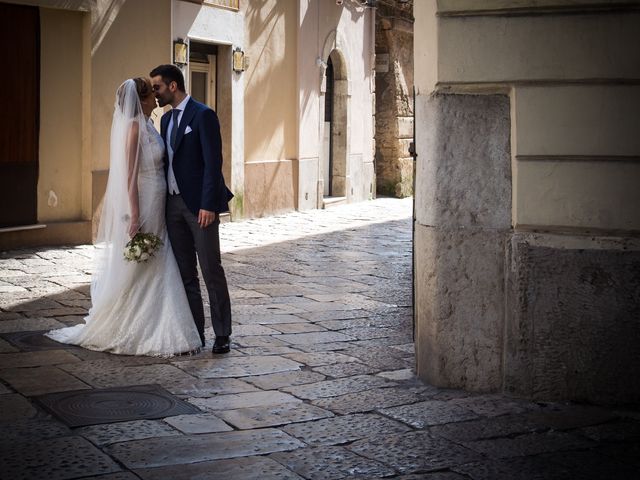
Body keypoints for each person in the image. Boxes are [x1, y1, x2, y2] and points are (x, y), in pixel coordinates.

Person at [46, 78, 202, 356]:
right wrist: (134, 214)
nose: (156, 96)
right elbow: (129, 176)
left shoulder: (151, 125)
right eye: (151, 93)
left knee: (158, 255)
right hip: (144, 198)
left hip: (159, 197)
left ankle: (159, 319)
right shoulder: (133, 129)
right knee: (147, 256)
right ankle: (130, 321)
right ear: (141, 99)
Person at [150, 64, 234, 354]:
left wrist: (209, 204)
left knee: (211, 269)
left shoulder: (203, 115)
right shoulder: (163, 120)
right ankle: (194, 333)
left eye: (157, 87)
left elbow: (214, 163)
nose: (155, 93)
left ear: (173, 86)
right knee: (186, 274)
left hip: (199, 207)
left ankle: (222, 333)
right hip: (172, 207)